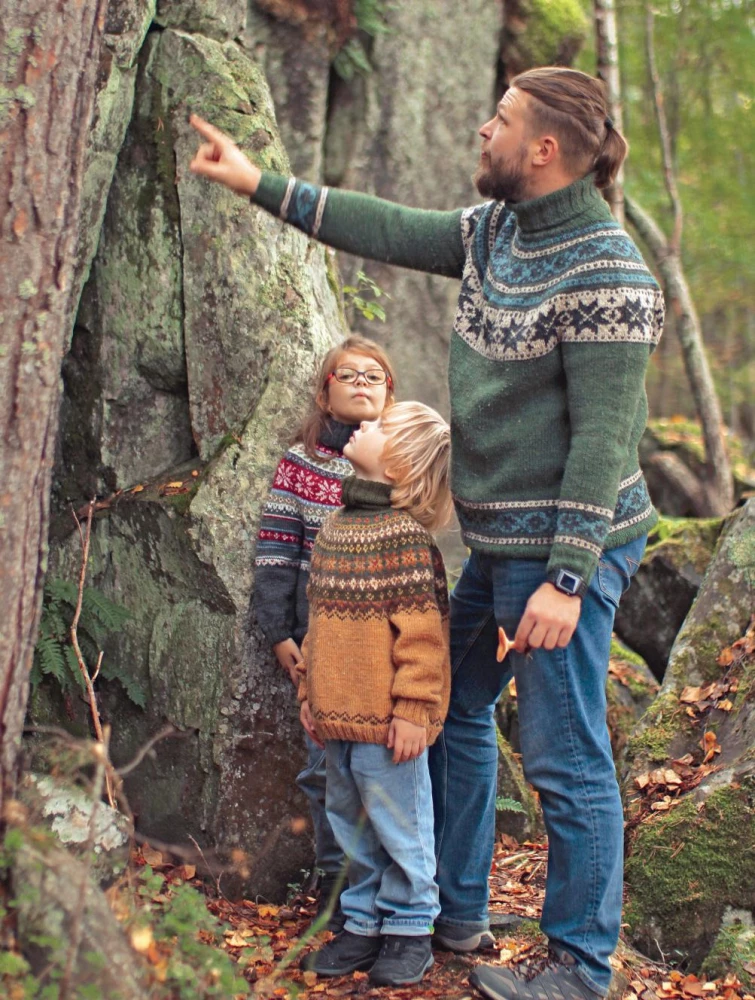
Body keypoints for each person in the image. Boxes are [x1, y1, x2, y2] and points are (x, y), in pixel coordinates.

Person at [190, 65, 665, 1000]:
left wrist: (566, 581)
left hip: (568, 546)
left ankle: (579, 967)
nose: (483, 130)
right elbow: (388, 227)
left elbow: (604, 441)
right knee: (449, 706)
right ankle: (452, 910)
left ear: (543, 148)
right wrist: (255, 183)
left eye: (501, 119)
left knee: (565, 758)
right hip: (501, 546)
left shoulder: (610, 275)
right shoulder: (495, 232)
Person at [298, 401, 453, 987]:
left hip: (390, 724)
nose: (365, 424)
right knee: (350, 824)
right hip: (336, 717)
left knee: (399, 825)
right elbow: (318, 626)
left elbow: (424, 638)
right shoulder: (335, 528)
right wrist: (309, 695)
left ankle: (411, 926)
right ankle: (362, 923)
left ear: (400, 466)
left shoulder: (406, 541)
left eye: (381, 426)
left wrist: (415, 710)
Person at [253, 335, 395, 929]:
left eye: (374, 376)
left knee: (382, 774)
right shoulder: (302, 463)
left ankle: (390, 893)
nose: (362, 384)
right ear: (325, 391)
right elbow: (276, 551)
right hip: (318, 648)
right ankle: (336, 890)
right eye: (349, 375)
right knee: (325, 770)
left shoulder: (406, 457)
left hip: (386, 650)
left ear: (390, 392)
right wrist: (278, 632)